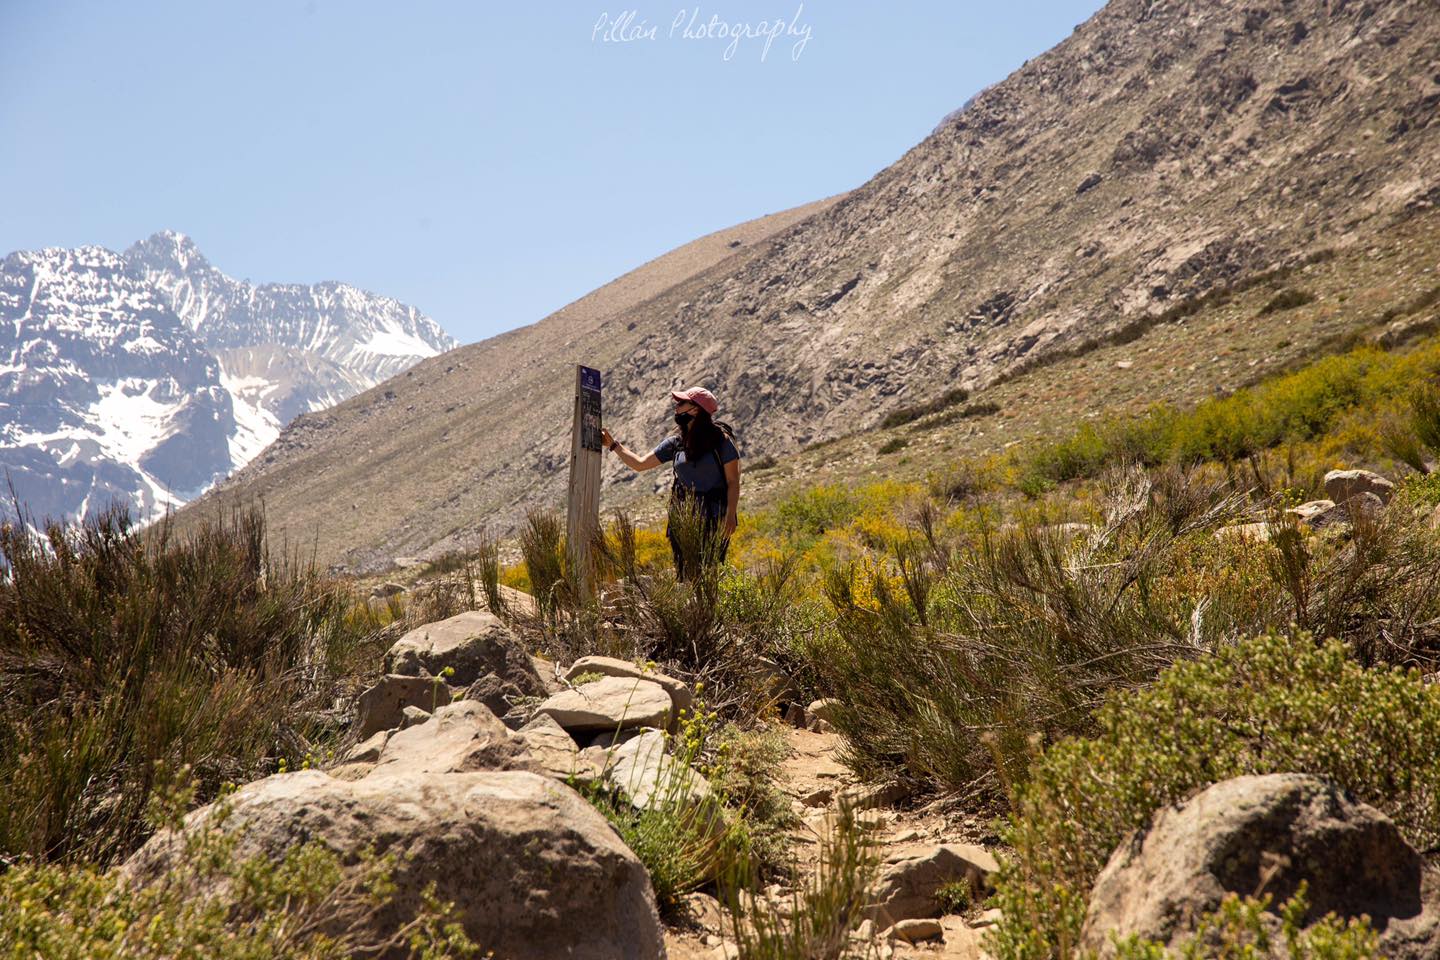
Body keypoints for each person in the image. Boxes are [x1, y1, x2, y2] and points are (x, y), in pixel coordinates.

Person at [600, 386, 741, 580]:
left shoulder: (721, 442)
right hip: (681, 519)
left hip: (714, 518)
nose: (677, 407)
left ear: (696, 410)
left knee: (709, 573)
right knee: (684, 574)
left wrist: (730, 515)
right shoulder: (675, 443)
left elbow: (733, 481)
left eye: (681, 403)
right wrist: (613, 445)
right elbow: (640, 464)